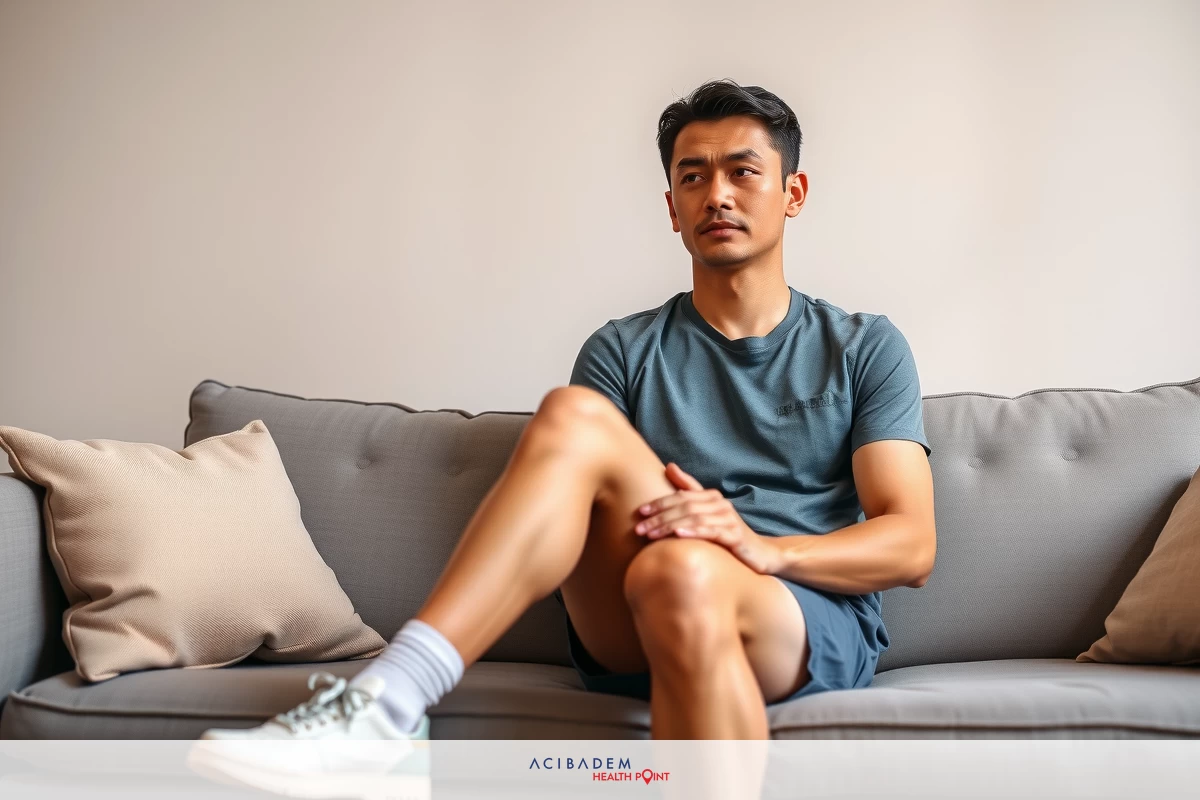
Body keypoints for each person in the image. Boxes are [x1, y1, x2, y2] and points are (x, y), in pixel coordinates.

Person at [193, 78, 936, 755]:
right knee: (579, 422)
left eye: (743, 171)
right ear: (671, 207)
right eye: (692, 176)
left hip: (798, 617)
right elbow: (577, 517)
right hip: (635, 608)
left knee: (685, 571)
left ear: (792, 193)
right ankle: (389, 701)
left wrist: (766, 551)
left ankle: (384, 709)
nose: (717, 194)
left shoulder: (863, 346)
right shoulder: (623, 349)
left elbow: (909, 544)